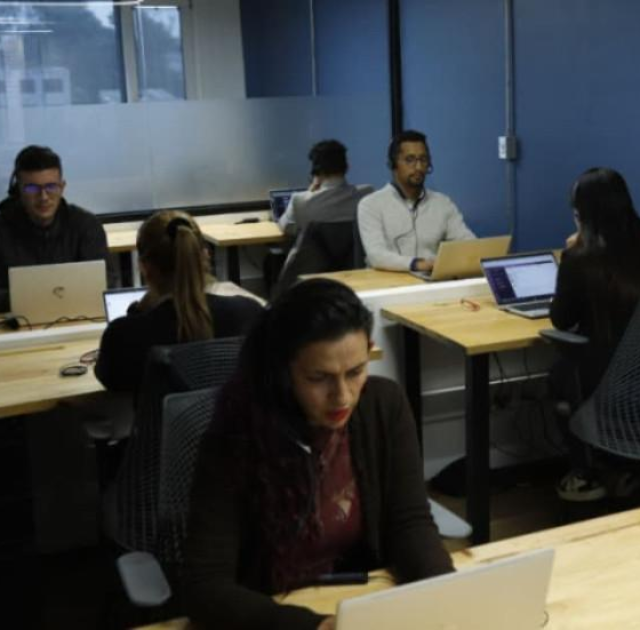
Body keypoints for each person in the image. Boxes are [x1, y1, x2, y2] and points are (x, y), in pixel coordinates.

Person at [182, 279, 453, 629]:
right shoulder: (236, 435)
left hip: (362, 603)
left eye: (355, 372)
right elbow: (205, 587)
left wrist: (445, 593)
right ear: (284, 372)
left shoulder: (384, 405)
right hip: (270, 615)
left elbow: (409, 523)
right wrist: (313, 627)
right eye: (318, 378)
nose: (343, 396)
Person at [549, 167, 640, 502]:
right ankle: (628, 470)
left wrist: (573, 254)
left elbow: (561, 320)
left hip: (608, 380)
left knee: (558, 376)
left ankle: (586, 471)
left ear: (582, 215)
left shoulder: (580, 257)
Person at [94, 211, 263, 392]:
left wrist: (137, 313)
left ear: (144, 267)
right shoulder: (249, 313)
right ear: (205, 257)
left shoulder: (122, 336)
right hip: (230, 411)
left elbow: (110, 381)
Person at [0, 145, 117, 312]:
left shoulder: (86, 226)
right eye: (32, 188)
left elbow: (107, 282)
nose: (43, 197)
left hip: (77, 318)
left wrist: (52, 298)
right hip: (14, 320)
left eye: (51, 187)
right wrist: (24, 300)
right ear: (18, 189)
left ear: (62, 187)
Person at [357, 129, 476, 272]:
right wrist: (417, 264)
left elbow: (468, 243)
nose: (419, 167)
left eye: (423, 159)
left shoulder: (443, 203)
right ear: (393, 165)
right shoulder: (370, 204)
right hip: (387, 282)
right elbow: (376, 255)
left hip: (431, 279)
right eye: (410, 160)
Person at [278, 139, 373, 240]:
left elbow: (285, 227)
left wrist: (311, 190)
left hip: (311, 251)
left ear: (316, 171)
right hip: (352, 251)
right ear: (347, 167)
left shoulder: (300, 201)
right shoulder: (367, 194)